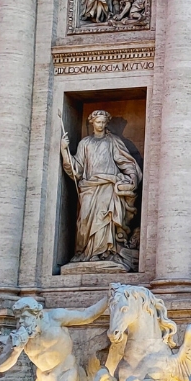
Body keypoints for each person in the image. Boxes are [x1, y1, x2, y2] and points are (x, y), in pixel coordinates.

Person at [61, 110, 142, 268]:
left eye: (104, 122)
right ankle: (86, 252)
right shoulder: (85, 143)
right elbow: (76, 167)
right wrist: (64, 150)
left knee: (105, 219)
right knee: (85, 221)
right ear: (92, 123)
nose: (101, 125)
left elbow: (126, 162)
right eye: (98, 122)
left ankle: (105, 253)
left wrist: (131, 177)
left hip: (108, 186)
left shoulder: (113, 141)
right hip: (89, 188)